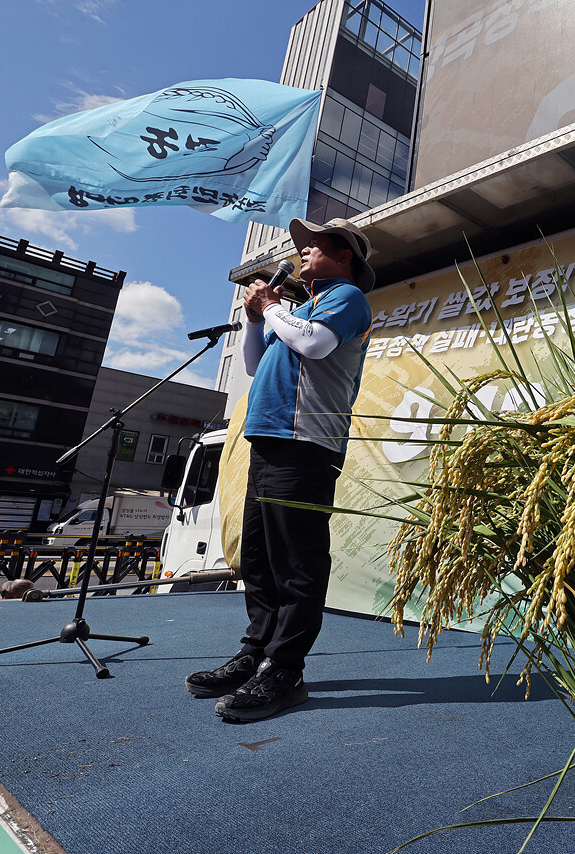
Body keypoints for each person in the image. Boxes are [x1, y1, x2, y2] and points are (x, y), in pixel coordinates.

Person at [185, 217, 374, 722]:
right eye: (303, 245)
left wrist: (270, 306)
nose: (304, 250)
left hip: (306, 443)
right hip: (270, 441)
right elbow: (252, 364)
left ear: (345, 255)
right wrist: (254, 319)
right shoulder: (300, 309)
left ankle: (286, 668)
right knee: (260, 557)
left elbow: (315, 345)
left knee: (296, 561)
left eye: (315, 244)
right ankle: (256, 655)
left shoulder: (347, 297)